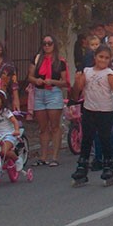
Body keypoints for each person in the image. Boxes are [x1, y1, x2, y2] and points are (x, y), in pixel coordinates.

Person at [70, 45, 113, 187]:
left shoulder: (110, 74)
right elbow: (76, 92)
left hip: (106, 111)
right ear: (95, 57)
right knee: (87, 139)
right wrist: (77, 82)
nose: (103, 60)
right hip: (89, 109)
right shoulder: (87, 72)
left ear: (109, 60)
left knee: (105, 138)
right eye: (100, 57)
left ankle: (108, 166)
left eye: (106, 57)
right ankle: (82, 167)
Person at [26, 35, 69, 167]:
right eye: (44, 43)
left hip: (53, 93)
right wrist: (36, 80)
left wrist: (53, 81)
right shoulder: (37, 59)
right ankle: (43, 156)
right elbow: (30, 77)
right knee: (43, 127)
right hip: (39, 93)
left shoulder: (60, 62)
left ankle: (54, 156)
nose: (47, 46)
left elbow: (65, 82)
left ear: (54, 45)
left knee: (55, 126)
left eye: (49, 43)